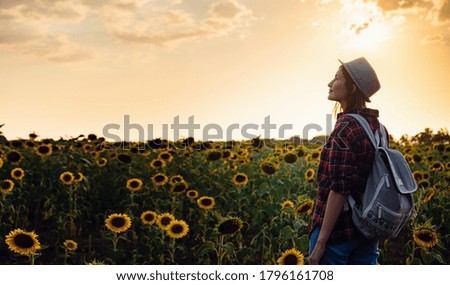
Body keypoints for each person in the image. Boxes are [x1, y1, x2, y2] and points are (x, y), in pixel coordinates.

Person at [309, 57, 386, 265]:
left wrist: (320, 243)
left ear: (352, 88)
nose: (329, 84)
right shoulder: (379, 129)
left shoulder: (346, 127)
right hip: (367, 231)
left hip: (337, 233)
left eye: (336, 78)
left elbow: (339, 189)